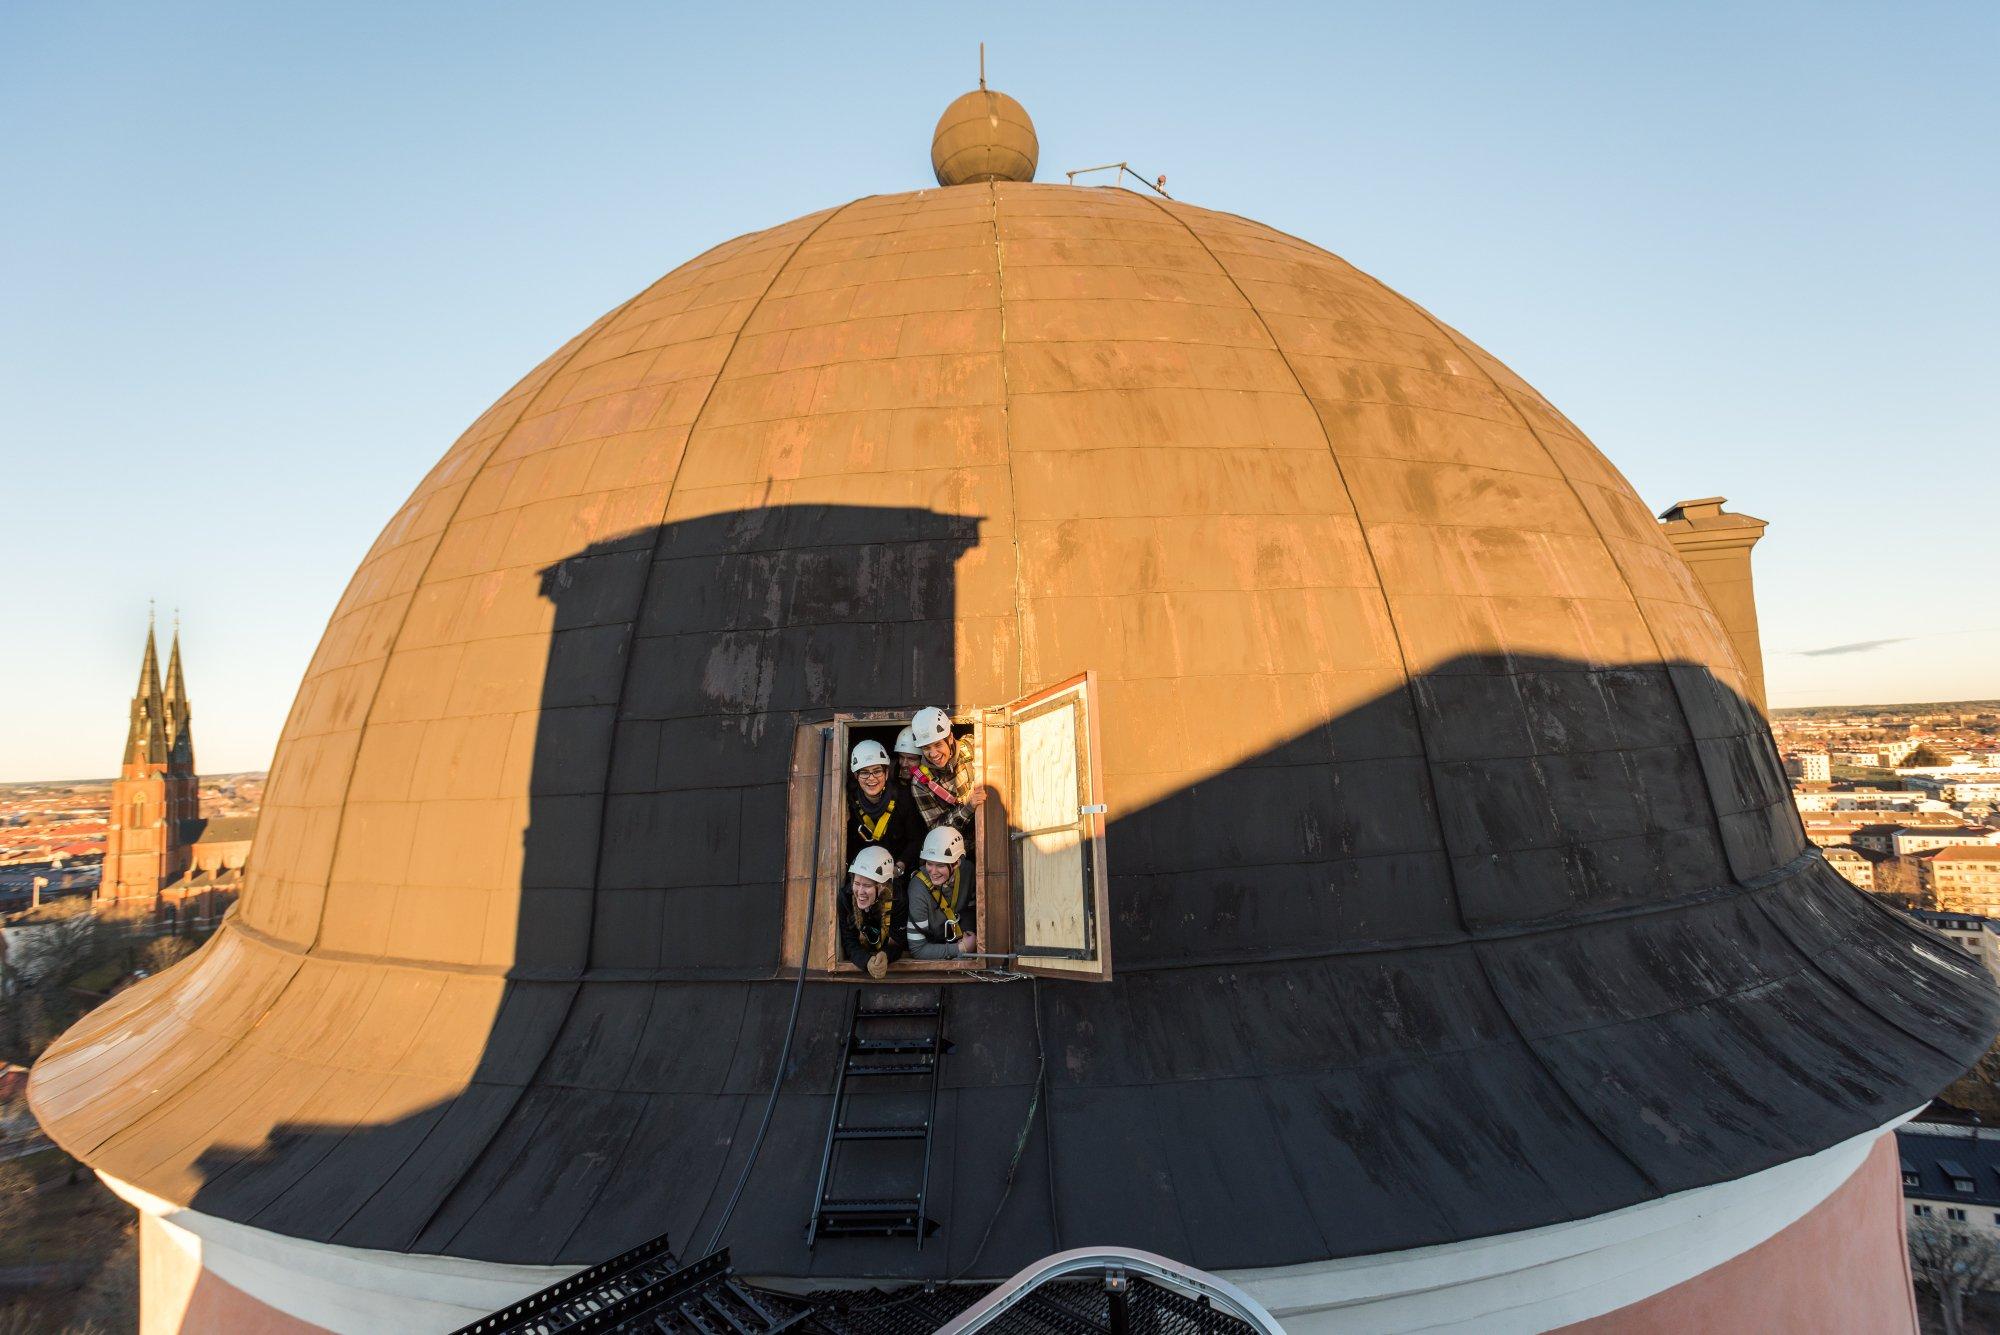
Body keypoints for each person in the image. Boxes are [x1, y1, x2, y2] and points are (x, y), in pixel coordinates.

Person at [906, 706, 984, 838]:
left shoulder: (973, 748)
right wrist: (968, 808)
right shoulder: (920, 782)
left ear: (950, 738)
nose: (933, 754)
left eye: (938, 745)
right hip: (959, 848)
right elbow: (936, 832)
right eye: (926, 748)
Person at [846, 739, 921, 873]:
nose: (871, 778)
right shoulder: (849, 803)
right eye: (864, 772)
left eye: (877, 771)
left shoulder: (903, 798)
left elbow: (915, 840)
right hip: (864, 873)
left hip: (897, 871)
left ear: (886, 773)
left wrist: (899, 867)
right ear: (856, 776)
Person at [906, 826, 977, 959]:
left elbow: (970, 908)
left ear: (956, 864)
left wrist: (967, 931)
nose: (933, 871)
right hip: (934, 947)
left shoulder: (968, 871)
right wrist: (960, 948)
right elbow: (917, 949)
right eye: (929, 863)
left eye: (940, 865)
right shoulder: (918, 888)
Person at [838, 846, 905, 978]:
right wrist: (866, 961)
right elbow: (849, 941)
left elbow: (898, 941)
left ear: (881, 887)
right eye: (857, 883)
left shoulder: (897, 898)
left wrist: (886, 954)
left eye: (867, 886)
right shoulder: (845, 897)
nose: (860, 892)